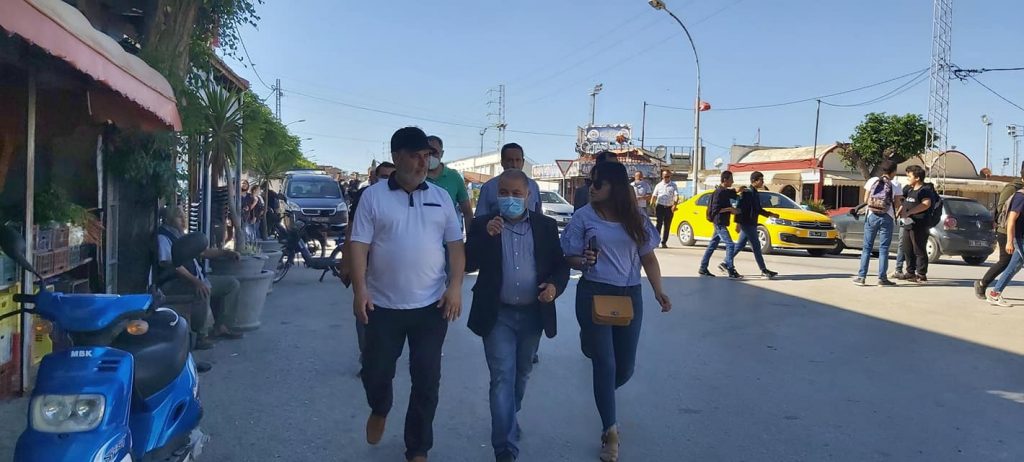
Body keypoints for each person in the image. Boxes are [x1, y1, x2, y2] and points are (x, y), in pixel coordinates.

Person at [349, 126, 465, 462]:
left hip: (431, 306)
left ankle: (418, 448)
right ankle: (380, 407)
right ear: (397, 157)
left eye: (427, 156)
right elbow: (359, 246)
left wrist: (455, 286)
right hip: (382, 306)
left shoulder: (441, 198)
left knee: (427, 379)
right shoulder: (373, 197)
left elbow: (455, 246)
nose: (423, 162)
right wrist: (360, 290)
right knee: (375, 372)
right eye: (415, 156)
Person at [561, 161, 671, 462]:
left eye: (598, 183)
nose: (591, 188)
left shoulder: (635, 217)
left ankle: (602, 385)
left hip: (629, 295)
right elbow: (569, 256)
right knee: (606, 365)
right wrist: (583, 260)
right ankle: (610, 432)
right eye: (590, 182)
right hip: (593, 293)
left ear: (615, 187)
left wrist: (658, 291)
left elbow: (648, 258)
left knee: (624, 368)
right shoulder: (583, 216)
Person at [465, 169, 570, 462]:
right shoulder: (483, 224)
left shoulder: (545, 226)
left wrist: (554, 287)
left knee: (522, 374)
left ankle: (510, 416)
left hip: (533, 314)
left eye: (516, 194)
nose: (509, 199)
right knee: (502, 377)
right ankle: (505, 449)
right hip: (497, 314)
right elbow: (467, 263)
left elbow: (560, 266)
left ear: (528, 196)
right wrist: (485, 236)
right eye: (503, 193)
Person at [155, 206, 245, 372]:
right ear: (169, 220)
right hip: (174, 283)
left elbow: (203, 252)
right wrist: (196, 282)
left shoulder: (181, 236)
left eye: (184, 216)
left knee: (231, 284)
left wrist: (225, 252)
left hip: (198, 278)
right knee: (202, 291)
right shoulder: (163, 237)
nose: (183, 220)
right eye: (179, 217)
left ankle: (222, 325)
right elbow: (170, 264)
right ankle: (200, 335)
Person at [340, 161, 397, 368]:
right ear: (374, 177)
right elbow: (352, 230)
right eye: (383, 176)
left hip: (390, 266)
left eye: (391, 176)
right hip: (365, 262)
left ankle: (386, 351)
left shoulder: (401, 196)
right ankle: (367, 354)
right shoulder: (365, 196)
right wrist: (346, 261)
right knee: (365, 308)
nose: (387, 180)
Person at [976, 163, 1024, 298]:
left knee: (1013, 264)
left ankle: (992, 289)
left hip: (1018, 232)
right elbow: (1002, 208)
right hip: (1006, 230)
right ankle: (983, 284)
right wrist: (1010, 238)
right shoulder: (1013, 188)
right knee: (1005, 262)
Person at [854, 159, 903, 286]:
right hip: (887, 217)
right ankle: (882, 278)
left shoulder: (872, 181)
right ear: (894, 171)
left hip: (872, 215)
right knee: (884, 248)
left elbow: (866, 199)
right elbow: (897, 204)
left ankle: (861, 277)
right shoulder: (896, 184)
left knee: (867, 248)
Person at [729, 171, 780, 279]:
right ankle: (763, 270)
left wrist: (770, 214)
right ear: (754, 181)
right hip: (746, 222)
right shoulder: (746, 193)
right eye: (761, 180)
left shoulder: (755, 193)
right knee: (756, 246)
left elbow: (758, 209)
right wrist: (737, 223)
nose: (762, 182)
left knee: (740, 245)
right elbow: (739, 207)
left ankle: (725, 262)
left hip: (751, 222)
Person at [476, 143, 542, 218]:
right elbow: (480, 219)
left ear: (523, 162)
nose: (514, 165)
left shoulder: (533, 186)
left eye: (518, 160)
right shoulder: (488, 187)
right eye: (510, 160)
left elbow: (539, 217)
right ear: (502, 162)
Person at [986, 179, 1024, 307]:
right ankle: (995, 293)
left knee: (1015, 266)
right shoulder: (1020, 197)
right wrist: (1009, 242)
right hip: (1020, 238)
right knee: (1013, 266)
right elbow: (1011, 220)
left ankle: (995, 293)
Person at [426, 135, 474, 231]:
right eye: (427, 153)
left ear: (442, 153)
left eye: (434, 152)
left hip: (449, 236)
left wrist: (470, 238)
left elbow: (467, 212)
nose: (430, 156)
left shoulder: (454, 177)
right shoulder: (416, 177)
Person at [900, 165, 938, 283]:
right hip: (908, 224)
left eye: (909, 176)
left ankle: (921, 274)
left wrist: (910, 212)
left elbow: (926, 204)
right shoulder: (909, 190)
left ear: (917, 178)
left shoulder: (924, 190)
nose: (908, 178)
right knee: (907, 248)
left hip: (920, 224)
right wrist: (900, 211)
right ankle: (910, 272)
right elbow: (904, 201)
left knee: (919, 249)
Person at [699, 171, 740, 278]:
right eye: (731, 179)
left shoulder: (724, 191)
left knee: (712, 245)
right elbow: (715, 209)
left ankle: (703, 267)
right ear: (725, 180)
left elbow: (732, 192)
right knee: (730, 244)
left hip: (721, 222)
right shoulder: (719, 192)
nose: (732, 181)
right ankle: (730, 268)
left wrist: (739, 190)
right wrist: (730, 209)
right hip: (719, 222)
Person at [651, 169, 679, 248]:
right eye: (665, 176)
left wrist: (674, 205)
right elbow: (654, 196)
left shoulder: (673, 185)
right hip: (660, 207)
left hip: (669, 208)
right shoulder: (658, 185)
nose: (666, 178)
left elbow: (676, 195)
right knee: (659, 224)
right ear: (662, 176)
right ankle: (656, 241)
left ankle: (664, 242)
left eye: (668, 176)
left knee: (667, 225)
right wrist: (652, 205)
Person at [891, 183, 913, 280]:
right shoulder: (909, 189)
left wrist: (897, 214)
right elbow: (902, 204)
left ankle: (903, 270)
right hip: (907, 221)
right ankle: (901, 269)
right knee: (904, 245)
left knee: (903, 246)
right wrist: (897, 214)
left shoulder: (915, 191)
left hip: (909, 221)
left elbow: (902, 204)